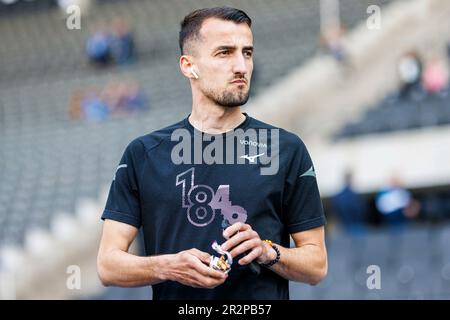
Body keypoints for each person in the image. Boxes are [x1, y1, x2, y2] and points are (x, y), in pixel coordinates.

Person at [97, 7, 327, 300]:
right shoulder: (143, 154)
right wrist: (168, 266)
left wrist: (268, 251)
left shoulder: (285, 149)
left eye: (247, 52)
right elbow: (107, 265)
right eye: (225, 53)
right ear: (188, 66)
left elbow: (317, 265)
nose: (241, 66)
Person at [331, 171, 367, 235]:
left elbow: (336, 211)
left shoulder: (338, 196)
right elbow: (360, 210)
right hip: (355, 225)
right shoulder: (353, 195)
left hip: (344, 226)